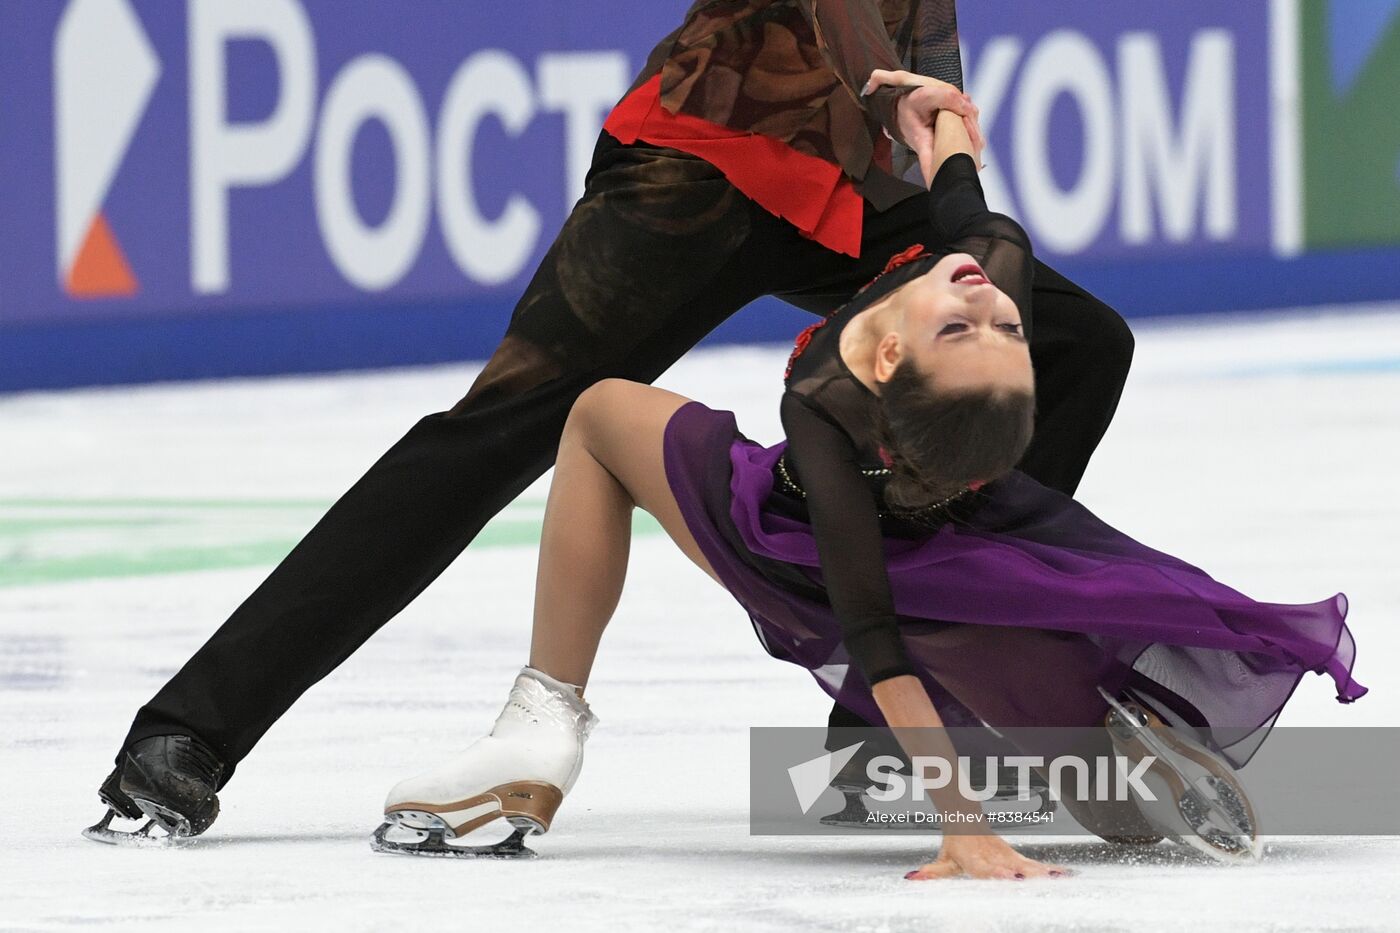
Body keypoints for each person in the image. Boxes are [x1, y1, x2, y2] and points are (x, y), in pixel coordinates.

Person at [88, 1, 1137, 843]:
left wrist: (927, 127)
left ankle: (872, 737)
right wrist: (911, 102)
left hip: (854, 181)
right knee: (495, 434)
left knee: (1077, 343)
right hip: (704, 166)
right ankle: (187, 733)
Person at [374, 91, 1365, 878]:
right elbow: (962, 217)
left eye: (989, 329)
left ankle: (541, 727)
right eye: (989, 325)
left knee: (598, 414)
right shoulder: (983, 275)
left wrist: (962, 830)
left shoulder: (828, 397)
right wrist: (945, 128)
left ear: (889, 363)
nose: (983, 304)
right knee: (1072, 750)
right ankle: (1073, 723)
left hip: (811, 555)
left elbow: (872, 633)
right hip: (909, 559)